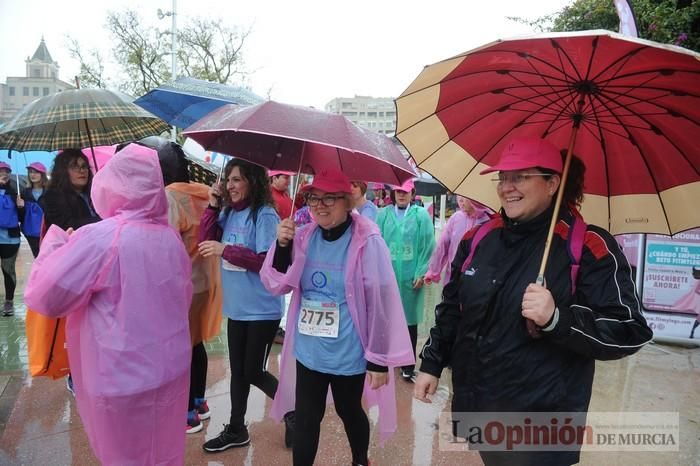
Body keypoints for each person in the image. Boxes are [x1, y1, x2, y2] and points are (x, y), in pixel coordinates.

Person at [414, 136, 653, 466]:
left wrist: (558, 319)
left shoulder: (588, 246)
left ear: (552, 183)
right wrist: (432, 363)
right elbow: (453, 308)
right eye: (503, 177)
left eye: (520, 177)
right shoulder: (479, 238)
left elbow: (629, 330)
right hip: (482, 407)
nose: (507, 187)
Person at [24, 143, 193, 466]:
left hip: (119, 380)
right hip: (170, 370)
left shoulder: (100, 238)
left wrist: (57, 244)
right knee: (163, 453)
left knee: (125, 458)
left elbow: (47, 296)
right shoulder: (169, 237)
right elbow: (181, 299)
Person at [260, 168, 414, 466]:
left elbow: (382, 301)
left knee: (348, 410)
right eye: (313, 198)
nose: (319, 205)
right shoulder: (302, 236)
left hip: (348, 351)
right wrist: (281, 245)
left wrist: (378, 360)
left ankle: (359, 459)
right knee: (306, 416)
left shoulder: (368, 240)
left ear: (347, 201)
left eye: (329, 198)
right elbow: (277, 283)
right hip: (309, 350)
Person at [198, 158, 285, 452]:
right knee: (239, 372)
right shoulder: (227, 213)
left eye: (237, 179)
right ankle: (237, 429)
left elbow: (265, 262)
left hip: (263, 309)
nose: (230, 185)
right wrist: (212, 206)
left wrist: (227, 250)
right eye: (228, 179)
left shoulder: (265, 215)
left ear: (252, 181)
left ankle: (295, 409)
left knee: (254, 371)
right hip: (237, 309)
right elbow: (204, 240)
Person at [138, 138, 223, 435]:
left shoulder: (171, 198)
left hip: (181, 285)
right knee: (195, 343)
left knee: (179, 349)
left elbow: (166, 244)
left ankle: (188, 414)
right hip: (205, 282)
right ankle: (199, 401)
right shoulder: (203, 193)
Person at [376, 179, 435, 382]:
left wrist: (421, 272)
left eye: (406, 192)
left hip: (411, 277)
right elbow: (376, 243)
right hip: (388, 276)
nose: (401, 195)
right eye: (398, 191)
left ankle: (407, 365)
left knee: (409, 321)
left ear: (412, 194)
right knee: (386, 317)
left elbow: (427, 246)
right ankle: (386, 358)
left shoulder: (420, 216)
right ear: (393, 193)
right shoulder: (383, 215)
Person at [424, 196, 491, 287]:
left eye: (465, 197)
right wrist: (433, 271)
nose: (460, 200)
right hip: (453, 276)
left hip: (477, 280)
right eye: (459, 196)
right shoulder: (456, 218)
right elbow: (442, 245)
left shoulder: (488, 221)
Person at [40, 149, 100, 231]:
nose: (82, 171)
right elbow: (66, 225)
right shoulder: (53, 196)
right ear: (63, 171)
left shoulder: (93, 192)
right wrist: (101, 221)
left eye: (84, 166)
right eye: (75, 167)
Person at [0, 162, 22, 316]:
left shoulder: (16, 190)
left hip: (10, 239)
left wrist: (22, 207)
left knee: (8, 271)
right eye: (1, 171)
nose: (4, 173)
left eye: (7, 171)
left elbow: (23, 217)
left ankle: (9, 302)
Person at [20, 162, 48, 258]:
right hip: (30, 233)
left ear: (42, 174)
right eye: (31, 172)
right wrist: (20, 207)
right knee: (36, 258)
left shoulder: (50, 192)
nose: (33, 175)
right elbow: (20, 216)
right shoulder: (24, 193)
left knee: (46, 258)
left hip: (46, 232)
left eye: (36, 172)